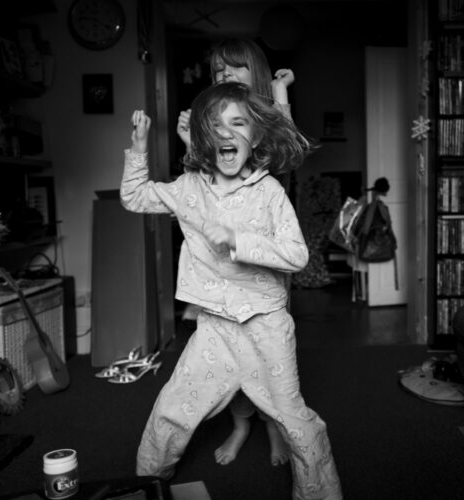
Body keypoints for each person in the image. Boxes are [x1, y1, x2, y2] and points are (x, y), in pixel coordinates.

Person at [121, 82, 342, 500]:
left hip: (266, 328)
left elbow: (297, 255)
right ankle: (144, 484)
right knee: (172, 409)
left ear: (255, 136)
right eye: (214, 125)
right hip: (214, 330)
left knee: (295, 420)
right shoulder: (189, 188)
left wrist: (239, 239)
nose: (226, 133)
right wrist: (138, 146)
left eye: (238, 123)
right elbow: (134, 197)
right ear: (203, 138)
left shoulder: (269, 193)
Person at [176, 38, 297, 467]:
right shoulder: (215, 120)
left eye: (235, 69)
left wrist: (280, 92)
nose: (225, 77)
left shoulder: (261, 120)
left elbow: (286, 149)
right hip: (222, 264)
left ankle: (273, 427)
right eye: (218, 72)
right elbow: (199, 180)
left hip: (262, 266)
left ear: (256, 74)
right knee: (226, 352)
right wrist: (190, 139)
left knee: (268, 360)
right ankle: (241, 424)